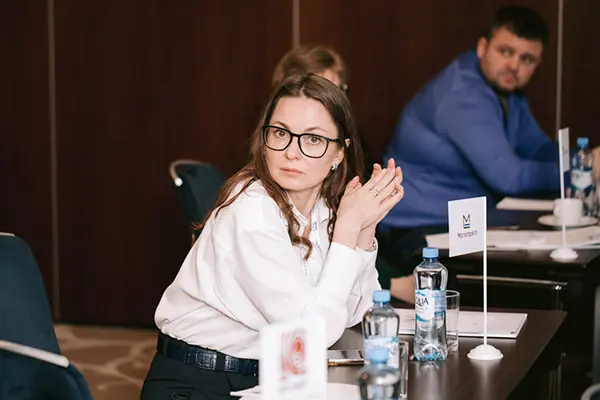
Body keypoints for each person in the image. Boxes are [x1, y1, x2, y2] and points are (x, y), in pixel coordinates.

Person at [141, 74, 404, 400]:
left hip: (265, 377)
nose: (292, 152)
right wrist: (348, 229)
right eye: (281, 133)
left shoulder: (321, 208)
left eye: (313, 139)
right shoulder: (251, 209)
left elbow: (354, 312)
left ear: (339, 153)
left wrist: (363, 231)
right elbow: (310, 332)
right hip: (198, 384)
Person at [379, 6, 596, 262]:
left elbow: (536, 147)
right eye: (505, 52)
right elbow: (509, 178)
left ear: (538, 64)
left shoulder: (505, 90)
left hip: (458, 221)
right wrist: (584, 170)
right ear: (483, 47)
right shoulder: (463, 95)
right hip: (415, 231)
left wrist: (583, 159)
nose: (514, 66)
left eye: (526, 59)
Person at [272, 44, 415, 303]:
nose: (330, 100)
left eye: (338, 90)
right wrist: (391, 282)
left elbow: (354, 305)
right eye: (318, 89)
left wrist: (365, 228)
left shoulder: (347, 146)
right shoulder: (275, 178)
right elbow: (315, 317)